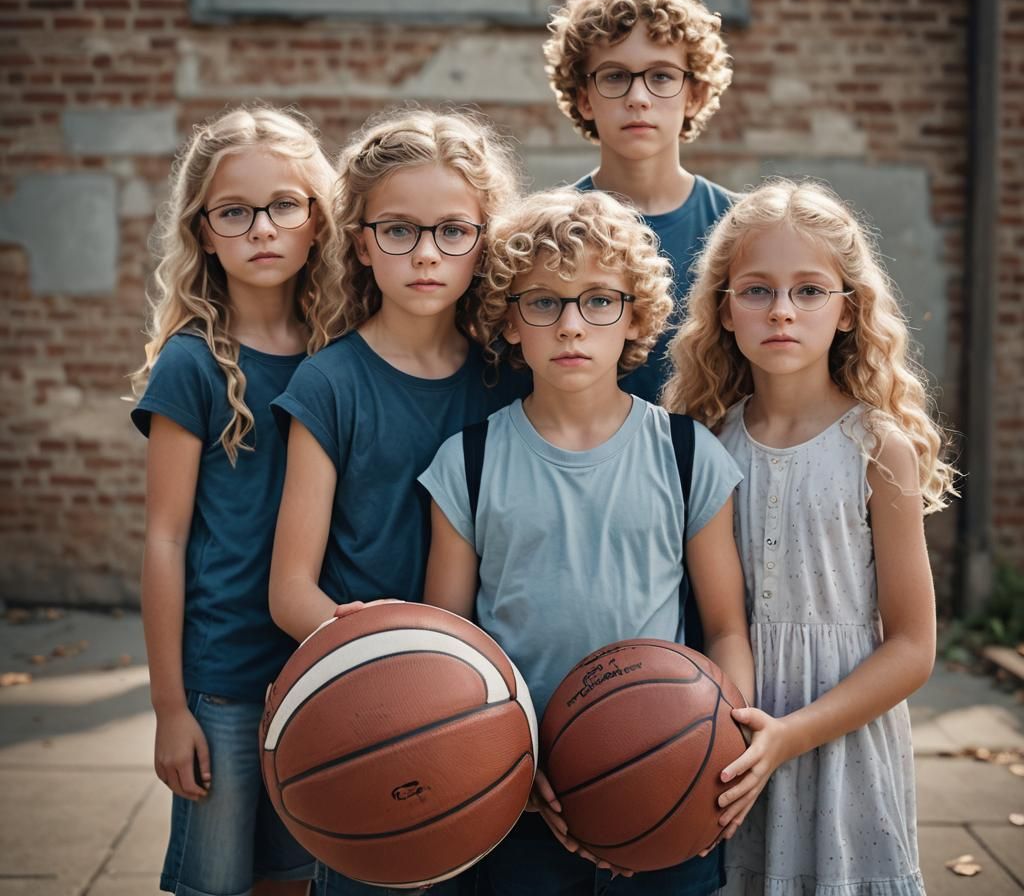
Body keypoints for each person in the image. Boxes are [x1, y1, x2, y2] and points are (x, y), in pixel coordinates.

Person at [420, 187, 754, 896]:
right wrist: (505, 761)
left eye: (598, 300)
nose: (571, 325)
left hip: (668, 780)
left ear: (635, 318)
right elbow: (452, 650)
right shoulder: (469, 461)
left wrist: (720, 745)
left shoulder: (686, 453)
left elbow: (725, 628)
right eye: (543, 302)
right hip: (519, 796)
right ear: (509, 322)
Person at [662, 179, 958, 896]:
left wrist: (794, 734)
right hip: (729, 732)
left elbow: (914, 648)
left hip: (845, 741)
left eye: (809, 291)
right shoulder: (704, 443)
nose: (782, 311)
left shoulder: (876, 447)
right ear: (724, 309)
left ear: (850, 310)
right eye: (757, 290)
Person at [267, 107, 527, 896]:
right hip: (367, 713)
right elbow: (290, 591)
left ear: (484, 242)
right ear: (359, 241)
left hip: (493, 712)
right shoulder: (329, 385)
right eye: (398, 231)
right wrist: (396, 671)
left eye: (453, 231)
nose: (425, 255)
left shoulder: (513, 378)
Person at [131, 106, 339, 896]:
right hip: (221, 681)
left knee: (293, 877)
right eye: (235, 212)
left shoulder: (341, 355)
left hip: (317, 674)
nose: (262, 228)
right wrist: (167, 706)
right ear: (204, 230)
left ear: (317, 221)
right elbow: (164, 539)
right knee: (215, 883)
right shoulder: (191, 366)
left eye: (284, 205)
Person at [543, 0, 736, 403]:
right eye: (614, 76)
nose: (639, 97)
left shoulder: (739, 229)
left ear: (696, 94)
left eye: (662, 76)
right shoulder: (546, 235)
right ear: (584, 98)